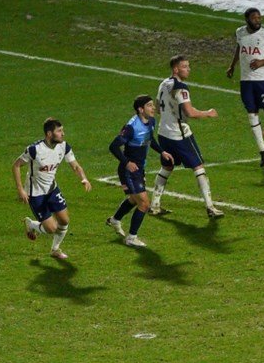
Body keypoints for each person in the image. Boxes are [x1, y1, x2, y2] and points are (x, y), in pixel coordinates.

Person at [151, 55, 224, 218]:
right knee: (199, 167)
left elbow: (157, 108)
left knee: (167, 167)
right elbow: (189, 112)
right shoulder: (181, 88)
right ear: (176, 69)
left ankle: (154, 205)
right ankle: (210, 207)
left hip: (163, 133)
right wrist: (208, 113)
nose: (188, 69)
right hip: (179, 135)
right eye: (185, 67)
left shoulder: (164, 83)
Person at [14, 118, 91, 260]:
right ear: (49, 134)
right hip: (35, 194)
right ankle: (32, 225)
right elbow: (16, 165)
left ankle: (55, 249)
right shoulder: (35, 150)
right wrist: (20, 189)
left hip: (52, 190)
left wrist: (84, 178)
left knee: (64, 221)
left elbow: (75, 166)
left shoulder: (64, 146)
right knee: (51, 229)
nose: (63, 134)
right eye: (59, 131)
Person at [107, 96, 173, 248]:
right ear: (140, 109)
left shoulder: (151, 121)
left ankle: (115, 220)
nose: (153, 108)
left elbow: (150, 139)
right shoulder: (131, 127)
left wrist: (162, 152)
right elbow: (113, 146)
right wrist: (127, 163)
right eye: (149, 105)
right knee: (144, 204)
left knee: (133, 199)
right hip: (129, 170)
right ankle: (131, 238)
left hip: (139, 168)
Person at [226, 7, 264, 168]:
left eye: (259, 18)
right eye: (254, 18)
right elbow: (239, 48)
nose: (258, 20)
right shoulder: (240, 32)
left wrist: (262, 62)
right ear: (247, 19)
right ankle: (263, 150)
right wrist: (232, 66)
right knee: (252, 115)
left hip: (262, 81)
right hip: (245, 81)